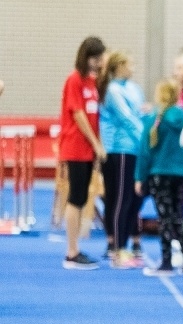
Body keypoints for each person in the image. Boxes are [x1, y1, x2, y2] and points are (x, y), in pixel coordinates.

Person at [135, 79, 183, 276]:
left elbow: (145, 152)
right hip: (180, 175)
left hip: (159, 174)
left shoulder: (153, 119)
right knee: (178, 217)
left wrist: (139, 177)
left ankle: (167, 260)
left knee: (165, 218)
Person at [59, 36, 107, 270]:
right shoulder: (74, 80)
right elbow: (78, 114)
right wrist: (96, 143)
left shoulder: (91, 82)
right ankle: (71, 251)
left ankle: (75, 247)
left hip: (87, 150)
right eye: (95, 58)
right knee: (76, 197)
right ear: (85, 57)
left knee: (82, 197)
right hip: (76, 147)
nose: (98, 63)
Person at [98, 50, 146, 268]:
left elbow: (139, 112)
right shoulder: (112, 90)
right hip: (120, 149)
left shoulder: (133, 88)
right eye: (129, 64)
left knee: (132, 200)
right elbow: (127, 118)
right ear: (118, 67)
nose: (133, 69)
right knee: (120, 199)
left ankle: (124, 245)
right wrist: (146, 140)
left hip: (134, 149)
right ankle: (118, 248)